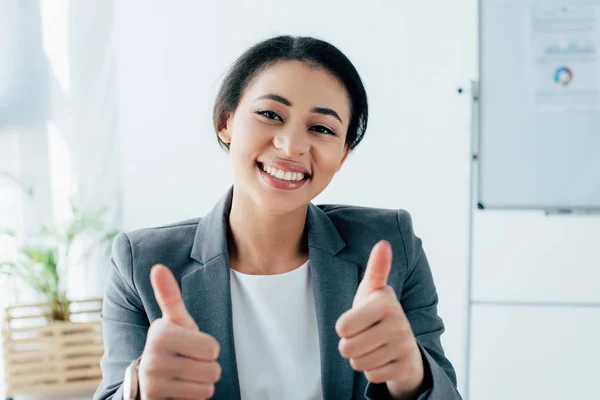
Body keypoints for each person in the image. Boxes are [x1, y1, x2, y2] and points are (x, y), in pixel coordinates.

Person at [94, 35, 461, 400]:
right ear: (226, 121)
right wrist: (140, 391)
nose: (291, 146)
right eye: (270, 115)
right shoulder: (140, 263)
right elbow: (114, 392)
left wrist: (412, 373)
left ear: (343, 153)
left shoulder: (392, 247)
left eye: (322, 129)